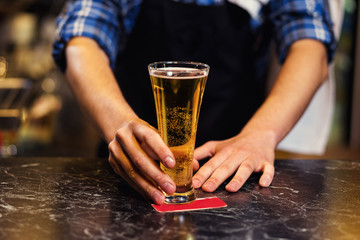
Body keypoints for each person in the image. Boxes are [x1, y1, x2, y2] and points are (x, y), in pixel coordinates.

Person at [53, 0, 336, 205]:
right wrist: (119, 123)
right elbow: (81, 39)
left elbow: (310, 46)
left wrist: (262, 134)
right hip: (131, 173)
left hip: (236, 173)